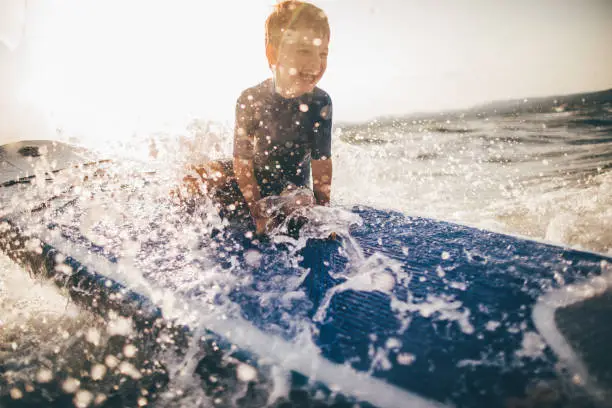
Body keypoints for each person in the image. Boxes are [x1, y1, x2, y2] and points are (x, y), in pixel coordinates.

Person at [178, 0, 333, 236]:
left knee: (300, 203)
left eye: (323, 53)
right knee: (197, 177)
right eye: (304, 50)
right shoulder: (251, 99)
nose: (315, 63)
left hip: (290, 189)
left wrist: (325, 216)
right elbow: (242, 162)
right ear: (273, 52)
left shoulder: (320, 103)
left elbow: (321, 166)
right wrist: (256, 212)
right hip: (249, 182)